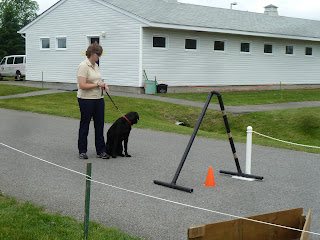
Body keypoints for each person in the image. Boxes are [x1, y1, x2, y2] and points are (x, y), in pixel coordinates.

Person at [77, 42, 110, 159]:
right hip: (86, 99)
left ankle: (101, 150)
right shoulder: (83, 66)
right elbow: (82, 85)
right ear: (91, 53)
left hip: (98, 99)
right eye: (98, 54)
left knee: (99, 125)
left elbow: (98, 81)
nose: (99, 56)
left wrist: (103, 85)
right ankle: (82, 150)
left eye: (100, 54)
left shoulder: (96, 66)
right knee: (85, 124)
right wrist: (97, 84)